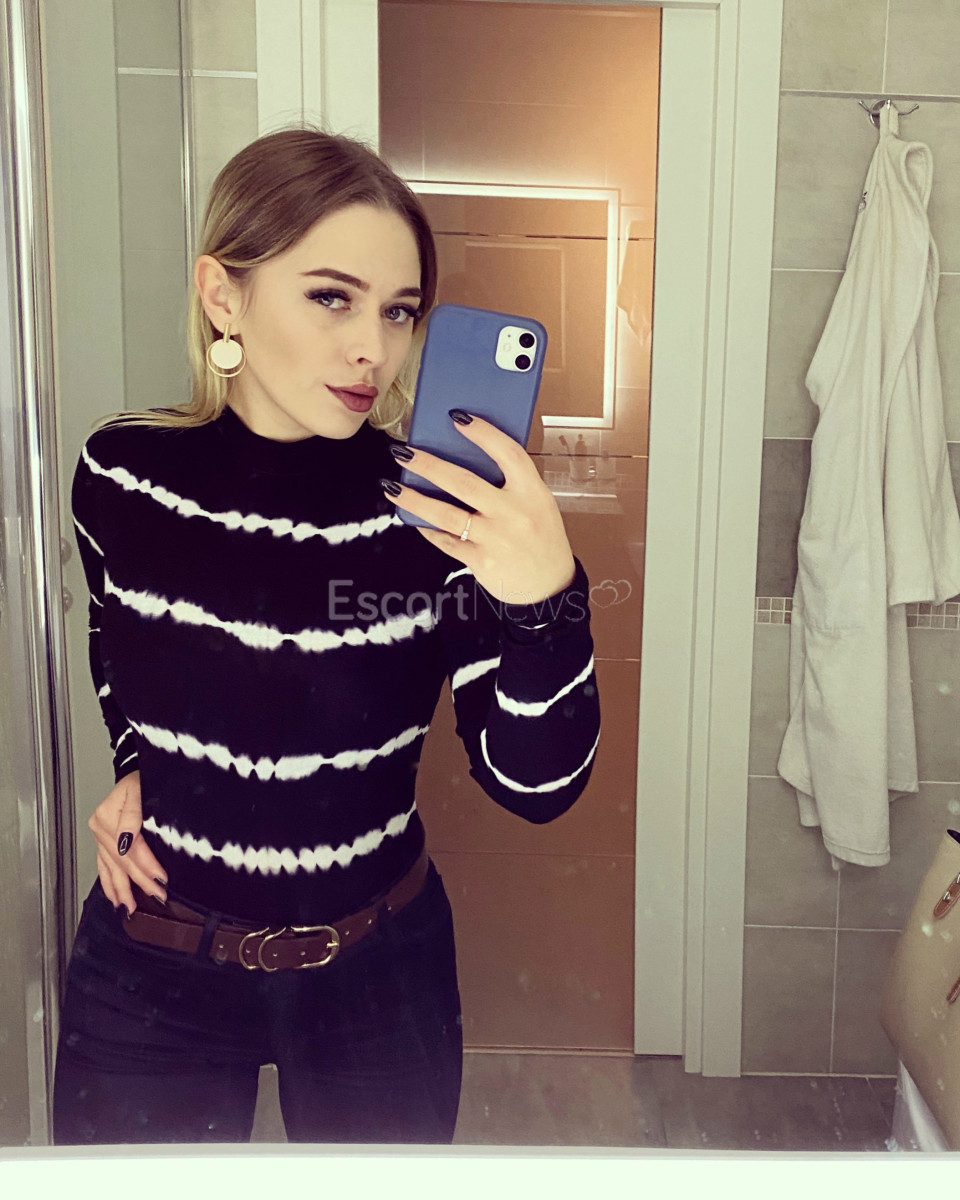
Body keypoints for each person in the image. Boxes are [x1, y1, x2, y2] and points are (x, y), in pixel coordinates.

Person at [52, 126, 601, 1145]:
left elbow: (537, 785)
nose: (374, 351)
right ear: (223, 296)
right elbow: (117, 643)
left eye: (398, 311)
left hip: (376, 978)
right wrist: (136, 763)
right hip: (152, 966)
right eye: (332, 297)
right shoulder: (120, 478)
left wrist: (547, 600)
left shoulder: (436, 514)